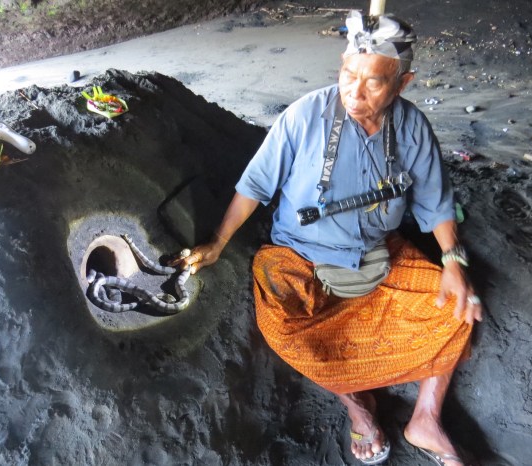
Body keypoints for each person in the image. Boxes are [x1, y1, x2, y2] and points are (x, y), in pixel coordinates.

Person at [172, 10, 482, 466]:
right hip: (299, 256)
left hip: (380, 253)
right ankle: (358, 405)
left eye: (373, 82)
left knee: (458, 311)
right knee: (286, 328)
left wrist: (454, 263)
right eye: (347, 74)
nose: (354, 92)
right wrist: (217, 241)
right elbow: (254, 186)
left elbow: (436, 204)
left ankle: (426, 419)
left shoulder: (412, 127)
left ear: (402, 82)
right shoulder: (304, 116)